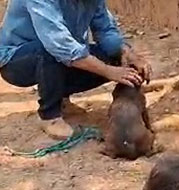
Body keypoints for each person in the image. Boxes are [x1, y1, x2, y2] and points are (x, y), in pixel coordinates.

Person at [0, 0, 150, 139]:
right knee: (51, 51)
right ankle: (50, 116)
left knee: (113, 56)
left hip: (57, 53)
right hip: (15, 61)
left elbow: (105, 31)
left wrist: (126, 53)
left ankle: (62, 98)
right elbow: (59, 45)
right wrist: (109, 71)